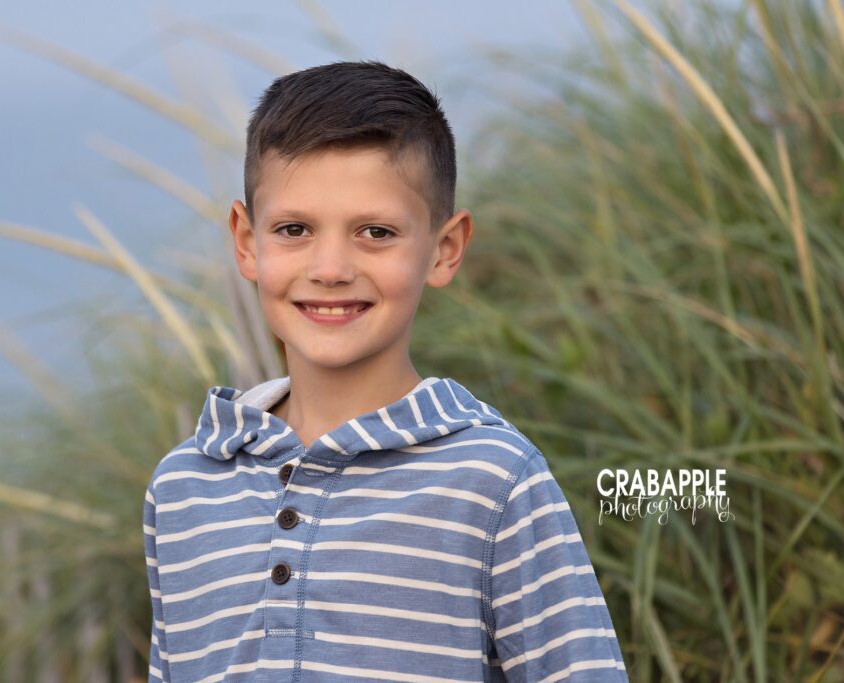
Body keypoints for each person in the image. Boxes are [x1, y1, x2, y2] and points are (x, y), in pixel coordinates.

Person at [143, 60, 627, 682]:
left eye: (375, 232)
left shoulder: (492, 481)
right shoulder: (184, 487)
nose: (331, 267)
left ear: (444, 249)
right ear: (246, 241)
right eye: (294, 229)